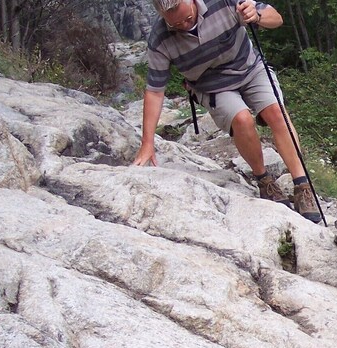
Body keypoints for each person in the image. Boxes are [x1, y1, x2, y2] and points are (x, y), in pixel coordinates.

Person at [132, 0, 322, 223]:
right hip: (212, 85)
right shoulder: (160, 38)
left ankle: (302, 185)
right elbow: (155, 91)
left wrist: (256, 16)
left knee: (276, 113)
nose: (184, 26)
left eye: (188, 19)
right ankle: (264, 181)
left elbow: (276, 18)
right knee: (242, 119)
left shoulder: (224, 2)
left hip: (250, 68)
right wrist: (147, 143)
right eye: (176, 24)